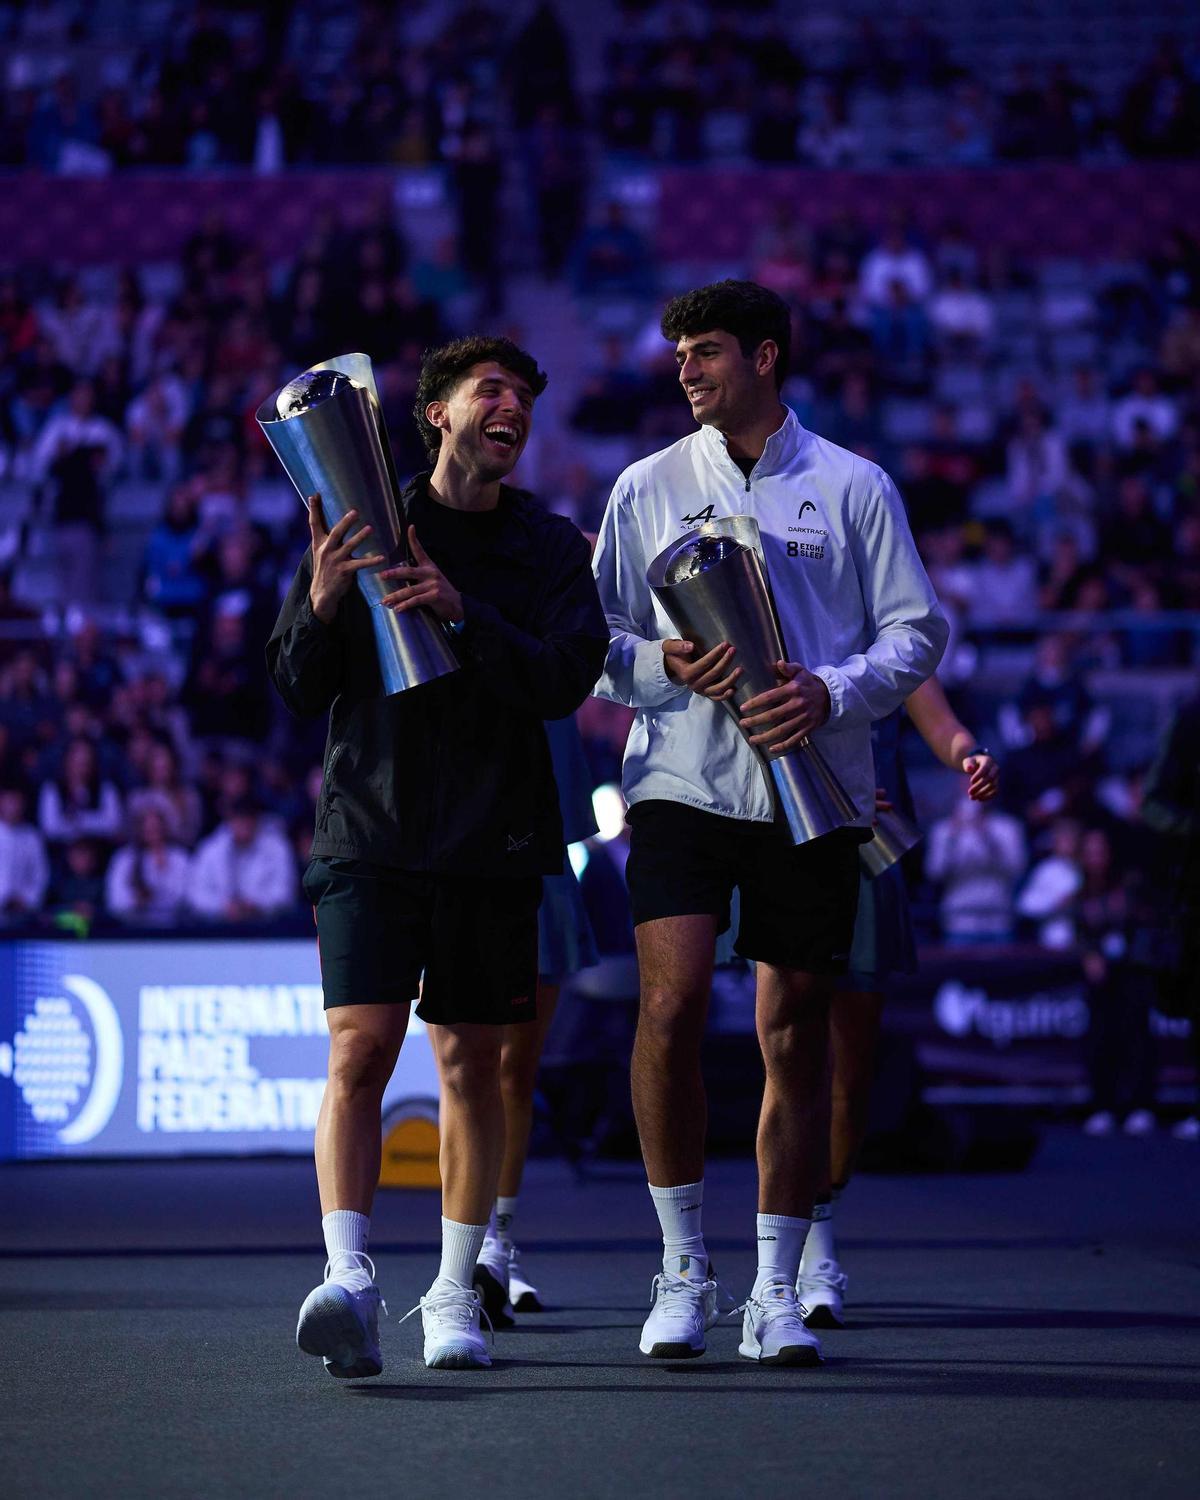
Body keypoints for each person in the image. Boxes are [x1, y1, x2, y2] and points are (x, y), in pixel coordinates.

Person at [592, 280, 948, 1367]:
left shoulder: (854, 485)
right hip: (681, 785)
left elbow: (917, 632)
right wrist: (661, 663)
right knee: (672, 1002)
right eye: (680, 356)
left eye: (704, 352)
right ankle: (681, 1271)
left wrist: (832, 692)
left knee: (793, 1030)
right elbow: (596, 639)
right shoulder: (646, 486)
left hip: (818, 789)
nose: (687, 371)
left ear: (765, 355)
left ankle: (777, 1287)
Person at [267, 335, 607, 1378]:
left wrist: (466, 612)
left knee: (472, 1067)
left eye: (524, 399)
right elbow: (292, 680)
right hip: (370, 826)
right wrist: (325, 600)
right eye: (490, 391)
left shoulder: (549, 548)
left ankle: (455, 1292)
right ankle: (349, 1280)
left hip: (493, 837)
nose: (511, 409)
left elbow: (564, 679)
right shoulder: (360, 511)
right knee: (359, 1050)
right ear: (440, 412)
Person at [798, 679, 999, 1328]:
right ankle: (794, 1247)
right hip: (788, 841)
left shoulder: (893, 639)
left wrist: (969, 753)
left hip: (869, 854)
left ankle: (821, 1226)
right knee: (791, 1058)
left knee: (851, 1075)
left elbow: (942, 724)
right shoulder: (781, 622)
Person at [467, 713, 600, 1324]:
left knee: (514, 1072)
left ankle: (497, 1247)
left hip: (537, 868)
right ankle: (465, 1251)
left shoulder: (545, 664)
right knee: (467, 1072)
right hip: (455, 867)